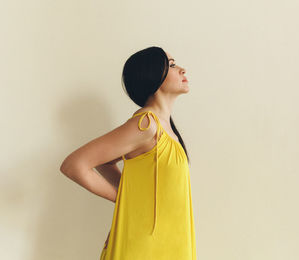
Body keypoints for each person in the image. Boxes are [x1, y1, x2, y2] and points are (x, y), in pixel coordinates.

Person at [60, 46, 197, 259]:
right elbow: (75, 165)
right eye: (171, 65)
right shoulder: (146, 125)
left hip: (170, 244)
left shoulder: (165, 129)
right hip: (144, 247)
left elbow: (105, 164)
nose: (182, 69)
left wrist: (129, 193)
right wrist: (124, 199)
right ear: (152, 75)